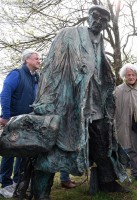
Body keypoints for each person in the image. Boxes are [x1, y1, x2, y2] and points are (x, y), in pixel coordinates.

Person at [25, 5, 128, 199]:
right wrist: (46, 100)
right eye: (95, 16)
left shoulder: (101, 43)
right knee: (53, 151)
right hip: (68, 105)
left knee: (103, 144)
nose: (99, 20)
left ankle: (107, 182)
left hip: (96, 107)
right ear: (88, 17)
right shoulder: (69, 34)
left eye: (104, 19)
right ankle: (41, 192)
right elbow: (51, 69)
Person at [0, 49, 40, 198]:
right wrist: (5, 116)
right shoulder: (16, 74)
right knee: (9, 152)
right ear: (27, 60)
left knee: (23, 152)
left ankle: (18, 181)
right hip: (12, 120)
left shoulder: (36, 77)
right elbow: (5, 94)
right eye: (36, 58)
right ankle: (5, 184)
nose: (39, 61)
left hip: (27, 120)